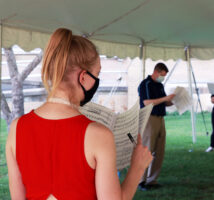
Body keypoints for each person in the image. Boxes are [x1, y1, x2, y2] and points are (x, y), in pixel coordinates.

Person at [5, 28, 152, 200]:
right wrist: (137, 168)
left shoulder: (17, 128)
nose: (98, 80)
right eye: (97, 74)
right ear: (83, 77)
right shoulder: (99, 135)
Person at [137, 63, 175, 190]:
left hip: (160, 118)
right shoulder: (145, 84)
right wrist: (165, 98)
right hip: (149, 119)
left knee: (159, 150)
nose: (162, 78)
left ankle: (152, 180)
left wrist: (173, 100)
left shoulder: (159, 85)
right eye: (162, 75)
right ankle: (141, 181)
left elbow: (163, 102)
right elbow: (147, 102)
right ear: (156, 72)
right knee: (147, 149)